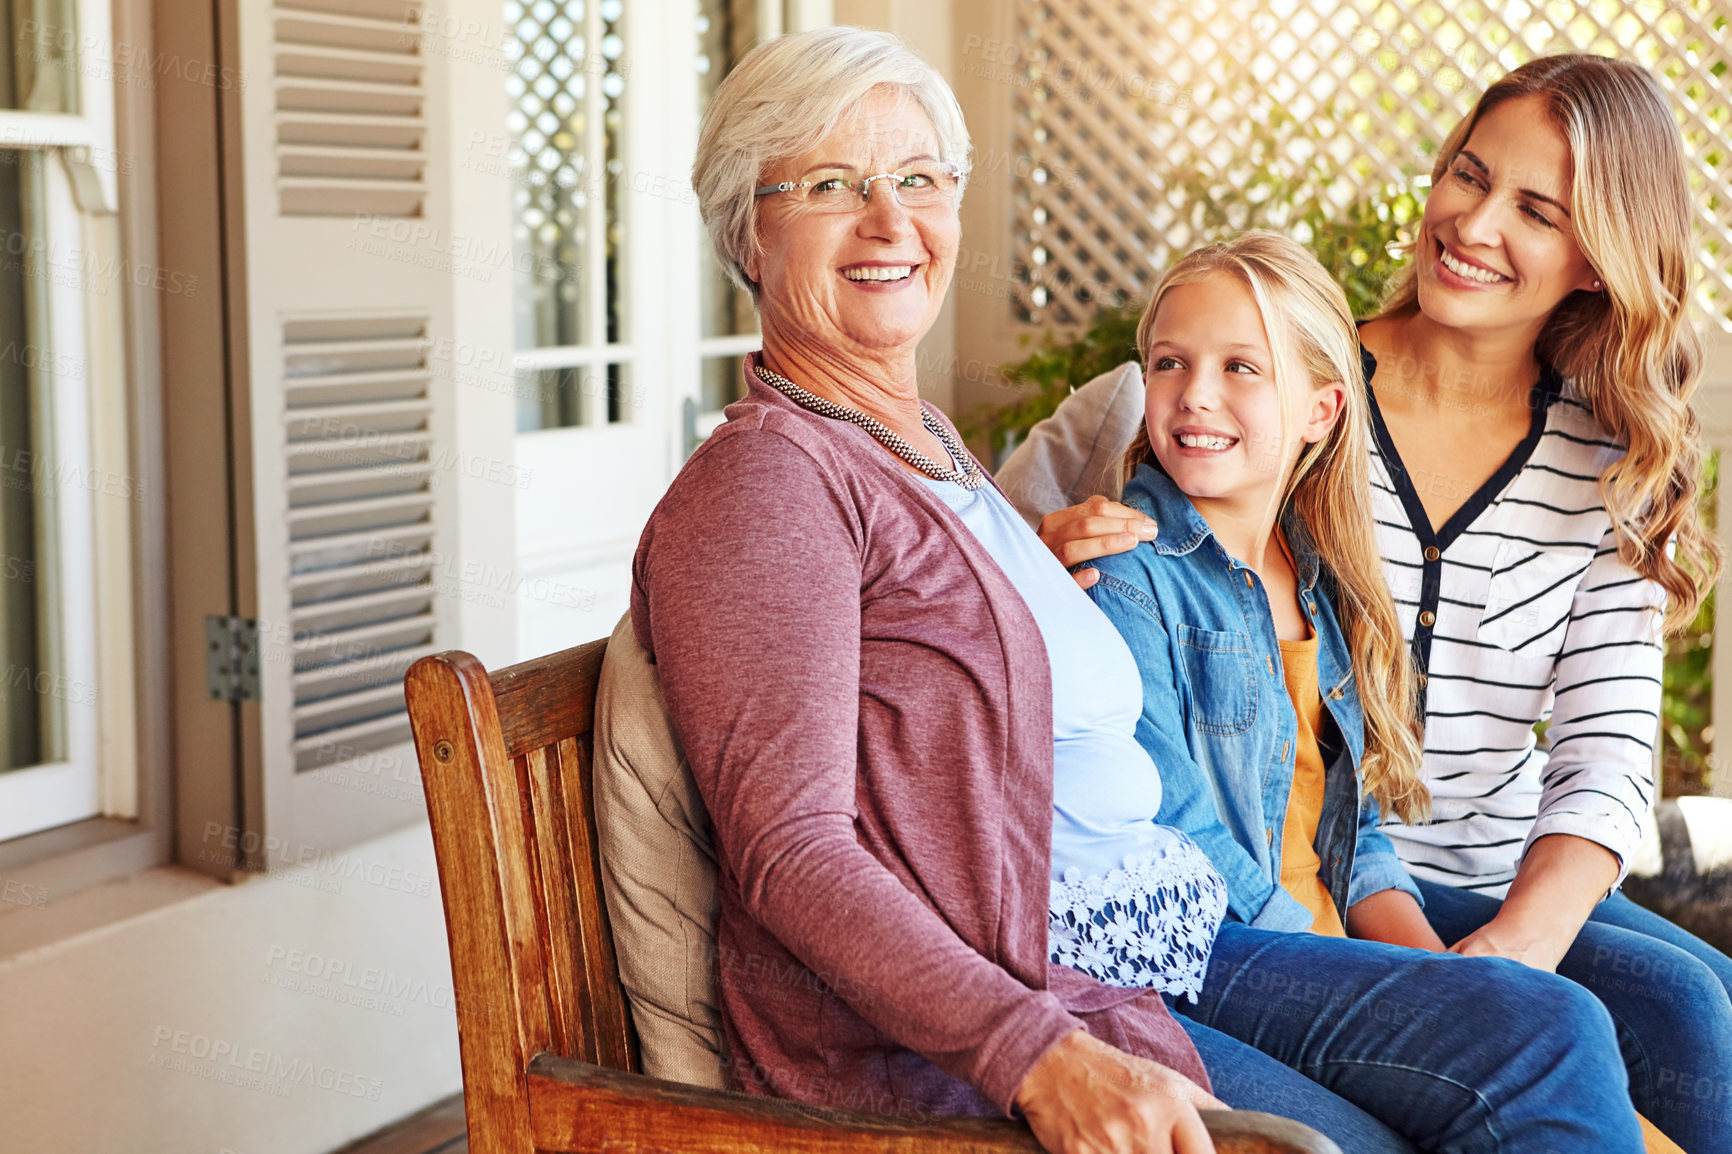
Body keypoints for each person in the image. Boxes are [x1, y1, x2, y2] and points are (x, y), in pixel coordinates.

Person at [1002, 55, 1732, 1152]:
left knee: (1696, 1007)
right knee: (1568, 1039)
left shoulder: (1610, 462)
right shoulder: (1268, 379)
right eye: (1467, 175)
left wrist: (1508, 956)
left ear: (1596, 259)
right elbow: (988, 564)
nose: (1473, 223)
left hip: (1476, 875)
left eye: (1534, 209)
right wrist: (1041, 556)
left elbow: (1608, 749)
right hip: (1282, 887)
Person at [639, 26, 1225, 1154]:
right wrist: (1037, 1052)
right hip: (942, 1057)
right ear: (747, 233)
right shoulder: (766, 481)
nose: (889, 221)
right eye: (829, 185)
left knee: (1532, 1033)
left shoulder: (918, 440)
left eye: (917, 179)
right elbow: (792, 851)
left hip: (1095, 958)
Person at [1050, 229, 1643, 1153]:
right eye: (1170, 361)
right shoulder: (1127, 572)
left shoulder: (1317, 580)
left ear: (1322, 410)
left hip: (1321, 943)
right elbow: (1177, 841)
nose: (1195, 393)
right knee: (1554, 1039)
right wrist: (1367, 984)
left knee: (1559, 1018)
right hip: (1225, 950)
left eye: (1241, 367)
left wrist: (1438, 980)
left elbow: (1355, 837)